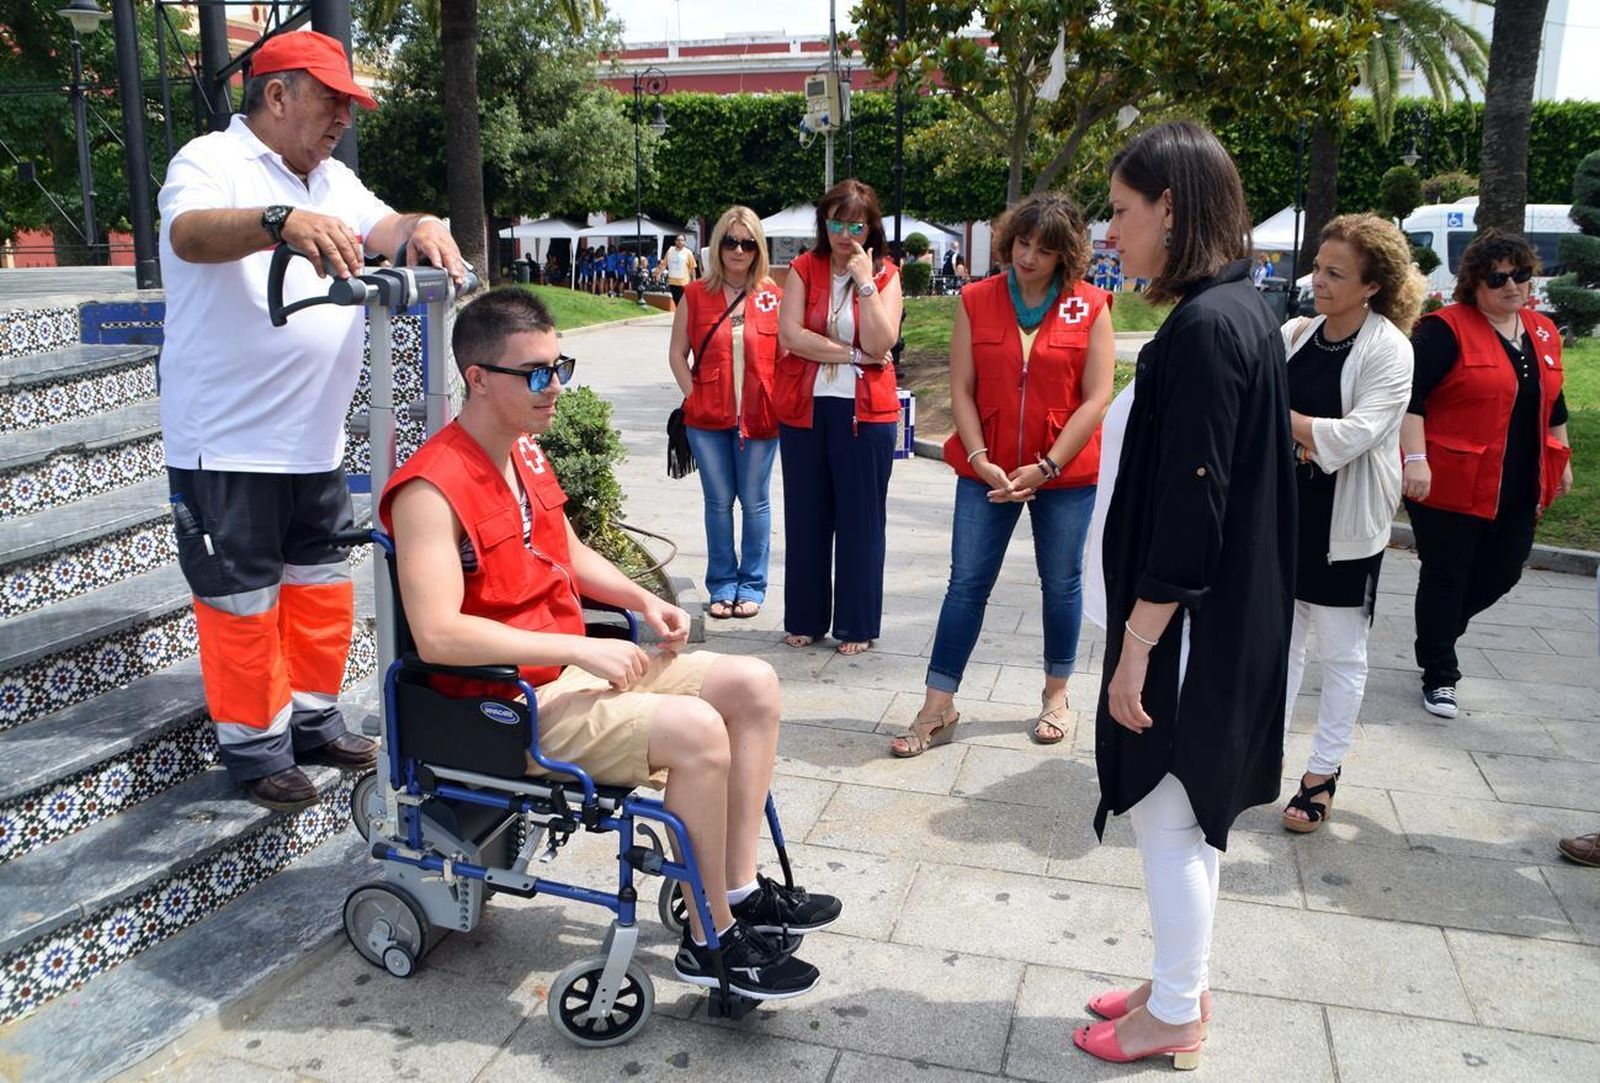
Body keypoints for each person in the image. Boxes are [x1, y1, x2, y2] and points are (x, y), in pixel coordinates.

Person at [381, 287, 841, 1000]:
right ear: (477, 378)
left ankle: (740, 888)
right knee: (695, 728)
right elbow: (438, 632)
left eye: (559, 364)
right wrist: (585, 649)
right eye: (536, 372)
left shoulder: (524, 453)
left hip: (570, 671)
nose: (556, 385)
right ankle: (710, 939)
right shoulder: (428, 490)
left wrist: (642, 598)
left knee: (753, 684)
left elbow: (562, 547)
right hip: (515, 703)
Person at [157, 30, 468, 811]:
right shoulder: (208, 162)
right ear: (277, 95)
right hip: (226, 441)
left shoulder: (333, 178)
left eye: (348, 105)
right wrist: (276, 221)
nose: (341, 119)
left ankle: (313, 718)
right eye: (330, 101)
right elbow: (188, 235)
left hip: (316, 439)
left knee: (320, 589)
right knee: (243, 602)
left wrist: (422, 224)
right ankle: (256, 747)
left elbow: (385, 226)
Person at [1077, 121, 1295, 1069]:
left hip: (1189, 622)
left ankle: (1175, 1010)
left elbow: (1191, 507)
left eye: (1122, 213)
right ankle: (1181, 976)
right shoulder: (1233, 308)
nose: (1109, 233)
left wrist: (1138, 643)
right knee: (1189, 811)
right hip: (1215, 612)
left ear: (1170, 207)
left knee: (1168, 810)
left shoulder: (1210, 326)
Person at [890, 193, 1114, 757]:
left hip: (1062, 474)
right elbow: (960, 388)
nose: (1029, 257)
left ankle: (1056, 695)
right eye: (1022, 243)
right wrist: (979, 455)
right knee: (965, 584)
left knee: (1061, 584)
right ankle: (937, 705)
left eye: (1044, 248)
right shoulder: (975, 299)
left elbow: (1097, 396)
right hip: (984, 468)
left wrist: (1048, 466)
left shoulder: (1090, 305)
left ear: (1067, 254)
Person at [1278, 215, 1422, 833]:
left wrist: (1280, 419)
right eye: (1318, 268)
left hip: (1347, 527)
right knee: (1278, 644)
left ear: (1371, 286)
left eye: (1336, 274)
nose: (1319, 281)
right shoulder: (1296, 332)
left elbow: (1355, 435)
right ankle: (1257, 755)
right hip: (1285, 514)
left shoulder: (1390, 349)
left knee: (1340, 653)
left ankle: (1321, 773)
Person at [1400, 229, 1572, 718]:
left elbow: (1554, 400)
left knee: (1502, 571)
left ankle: (1439, 632)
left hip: (1517, 481)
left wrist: (1564, 458)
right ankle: (1439, 673)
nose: (1512, 287)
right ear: (1474, 283)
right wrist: (1415, 461)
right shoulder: (1443, 330)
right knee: (1447, 575)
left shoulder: (1541, 330)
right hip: (1448, 478)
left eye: (1521, 275)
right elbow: (1409, 401)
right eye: (1499, 279)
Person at [774, 180, 904, 655]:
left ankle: (858, 624)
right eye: (837, 224)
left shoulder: (886, 274)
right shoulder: (805, 268)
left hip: (865, 414)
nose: (845, 235)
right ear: (823, 223)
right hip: (806, 409)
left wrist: (865, 282)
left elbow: (881, 342)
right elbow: (791, 335)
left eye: (856, 225)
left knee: (861, 521)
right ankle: (805, 617)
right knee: (806, 516)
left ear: (871, 228)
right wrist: (852, 355)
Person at [668, 207, 782, 620]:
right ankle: (721, 584)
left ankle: (751, 584)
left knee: (754, 502)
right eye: (731, 241)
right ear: (718, 245)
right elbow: (677, 354)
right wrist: (692, 395)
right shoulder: (697, 295)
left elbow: (787, 357)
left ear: (758, 249)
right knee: (718, 502)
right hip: (707, 419)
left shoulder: (773, 296)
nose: (738, 250)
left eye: (747, 243)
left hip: (760, 419)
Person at [666, 233, 698, 305]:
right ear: (675, 241)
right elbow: (664, 263)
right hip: (672, 282)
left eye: (682, 240)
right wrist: (658, 273)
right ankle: (681, 315)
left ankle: (686, 315)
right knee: (677, 302)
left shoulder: (688, 253)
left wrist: (694, 280)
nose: (680, 242)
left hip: (684, 283)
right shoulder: (670, 251)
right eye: (678, 240)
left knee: (684, 303)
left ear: (684, 242)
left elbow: (692, 268)